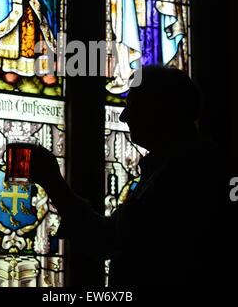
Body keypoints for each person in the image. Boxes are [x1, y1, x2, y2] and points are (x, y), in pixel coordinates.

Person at [31, 65, 224, 287]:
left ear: (160, 109)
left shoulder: (190, 172)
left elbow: (109, 240)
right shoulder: (170, 166)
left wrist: (54, 183)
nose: (124, 116)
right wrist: (53, 183)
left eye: (133, 106)